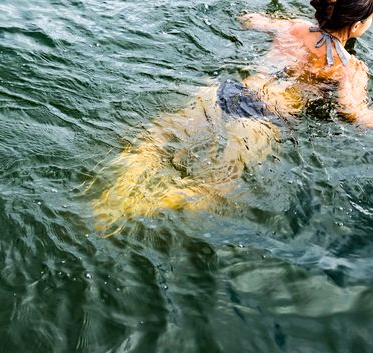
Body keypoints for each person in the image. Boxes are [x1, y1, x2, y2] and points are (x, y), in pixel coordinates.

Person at [93, 0, 373, 230]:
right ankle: (128, 210)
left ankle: (111, 191)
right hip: (261, 120)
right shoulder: (350, 68)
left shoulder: (296, 27)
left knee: (155, 141)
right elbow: (354, 113)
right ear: (357, 25)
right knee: (212, 189)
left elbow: (249, 19)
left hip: (227, 92)